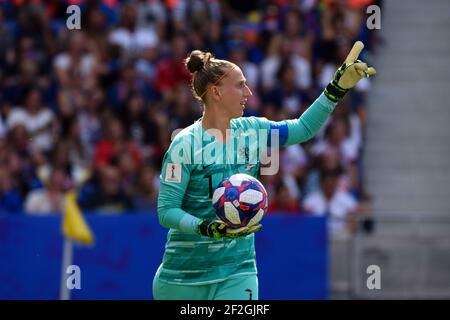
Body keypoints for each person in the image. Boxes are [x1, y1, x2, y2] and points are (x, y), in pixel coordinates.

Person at [153, 42, 375, 300]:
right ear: (216, 92)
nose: (247, 91)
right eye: (239, 85)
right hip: (183, 278)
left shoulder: (254, 130)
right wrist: (207, 228)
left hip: (238, 270)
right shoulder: (185, 144)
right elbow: (166, 211)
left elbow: (303, 129)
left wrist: (335, 90)